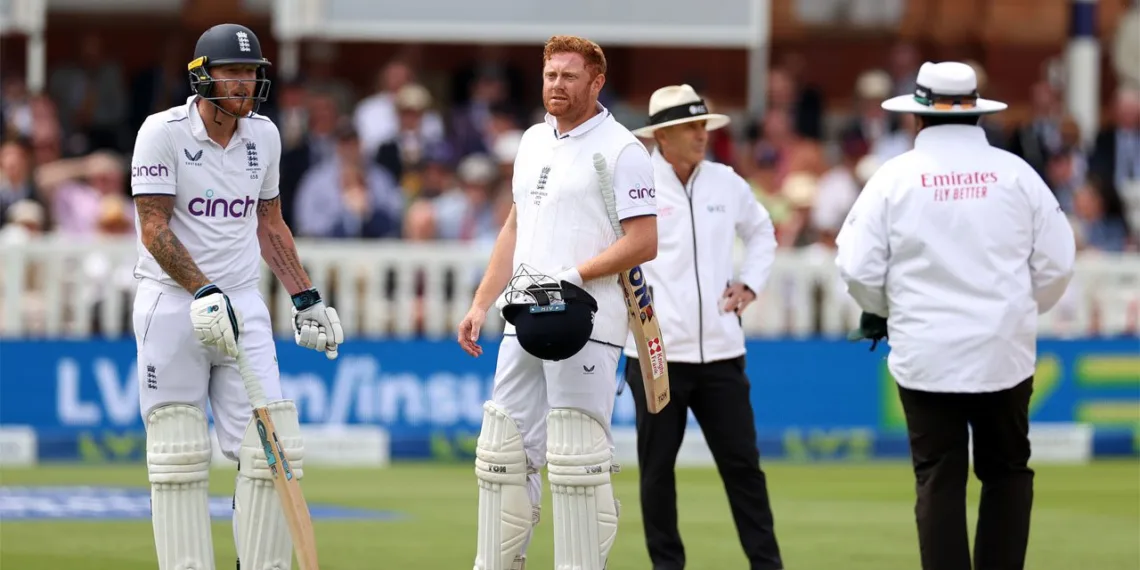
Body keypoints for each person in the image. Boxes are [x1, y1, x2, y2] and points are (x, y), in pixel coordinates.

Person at [837, 61, 1076, 570]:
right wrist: (1017, 312)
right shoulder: (1018, 175)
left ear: (917, 119)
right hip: (1002, 353)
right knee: (1007, 471)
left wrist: (888, 311)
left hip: (927, 352)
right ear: (977, 114)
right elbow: (1057, 263)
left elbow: (856, 268)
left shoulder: (893, 177)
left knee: (939, 477)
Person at [129, 23, 345, 570]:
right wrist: (200, 289)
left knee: (272, 449)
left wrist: (305, 297)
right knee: (178, 454)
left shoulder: (265, 136)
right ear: (202, 77)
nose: (245, 83)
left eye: (251, 72)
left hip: (243, 304)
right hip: (173, 305)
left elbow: (268, 222)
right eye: (233, 72)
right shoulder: (162, 132)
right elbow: (154, 227)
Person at [456, 35, 658, 570]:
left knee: (577, 458)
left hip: (587, 321)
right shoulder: (530, 141)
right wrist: (482, 303)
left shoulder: (622, 150)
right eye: (550, 75)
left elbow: (644, 242)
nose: (557, 85)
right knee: (502, 453)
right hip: (522, 315)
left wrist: (574, 276)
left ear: (597, 82)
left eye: (570, 76)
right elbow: (515, 226)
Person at [623, 84, 784, 570]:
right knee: (656, 472)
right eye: (691, 127)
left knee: (744, 469)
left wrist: (750, 283)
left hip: (721, 352)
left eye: (704, 125)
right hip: (656, 357)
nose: (702, 135)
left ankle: (767, 565)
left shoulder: (726, 182)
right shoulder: (634, 184)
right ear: (663, 136)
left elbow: (762, 234)